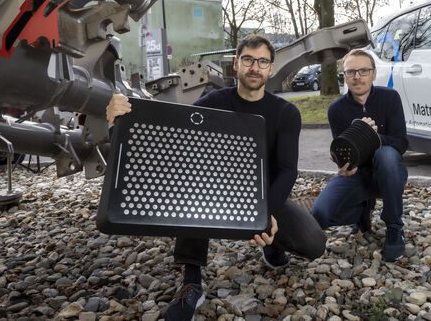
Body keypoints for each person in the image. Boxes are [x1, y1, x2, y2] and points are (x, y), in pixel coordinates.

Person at [105, 35, 326, 321]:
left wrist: (265, 213)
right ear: (235, 64)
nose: (254, 67)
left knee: (314, 244)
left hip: (263, 192)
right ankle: (192, 280)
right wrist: (119, 121)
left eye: (262, 62)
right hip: (215, 189)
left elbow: (287, 170)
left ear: (271, 68)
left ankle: (272, 246)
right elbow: (168, 146)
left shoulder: (286, 113)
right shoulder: (211, 103)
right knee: (191, 187)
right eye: (247, 59)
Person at [310, 48, 409, 262]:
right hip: (358, 174)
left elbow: (401, 143)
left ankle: (394, 227)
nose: (357, 77)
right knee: (320, 215)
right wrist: (343, 162)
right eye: (351, 72)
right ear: (344, 76)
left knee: (387, 155)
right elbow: (344, 151)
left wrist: (373, 137)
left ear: (373, 74)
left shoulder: (390, 98)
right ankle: (363, 209)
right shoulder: (336, 109)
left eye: (364, 71)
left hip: (390, 173)